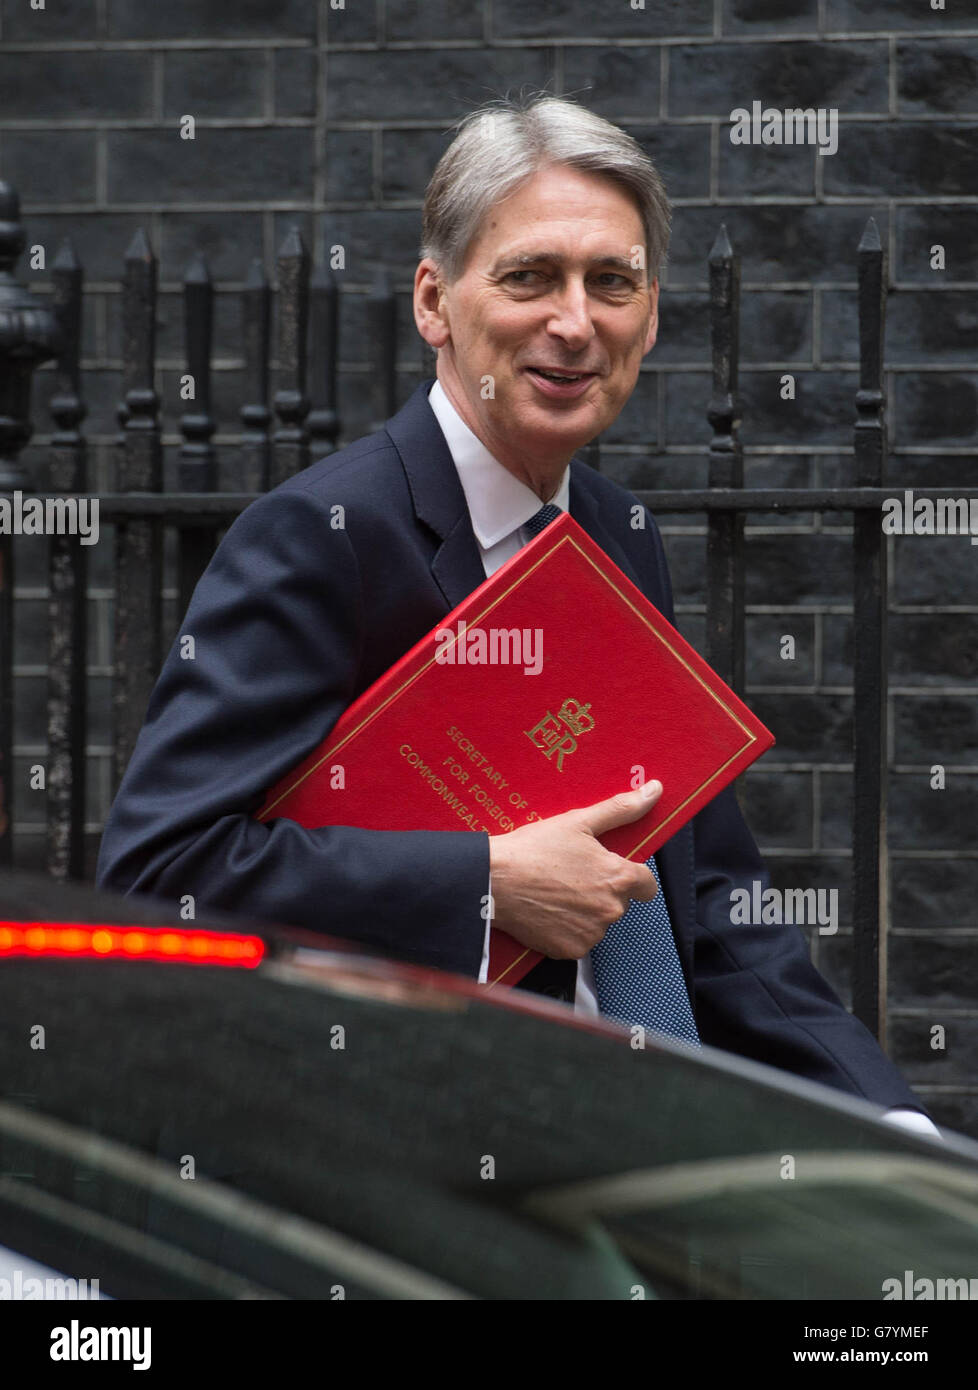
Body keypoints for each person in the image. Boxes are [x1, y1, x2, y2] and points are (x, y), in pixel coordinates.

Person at [96, 93, 938, 1136]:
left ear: (653, 312)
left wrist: (893, 1126)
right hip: (413, 1167)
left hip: (627, 1145)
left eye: (611, 282)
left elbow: (702, 893)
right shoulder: (323, 534)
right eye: (530, 276)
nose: (576, 322)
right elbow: (156, 870)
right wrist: (485, 884)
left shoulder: (619, 534)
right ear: (434, 302)